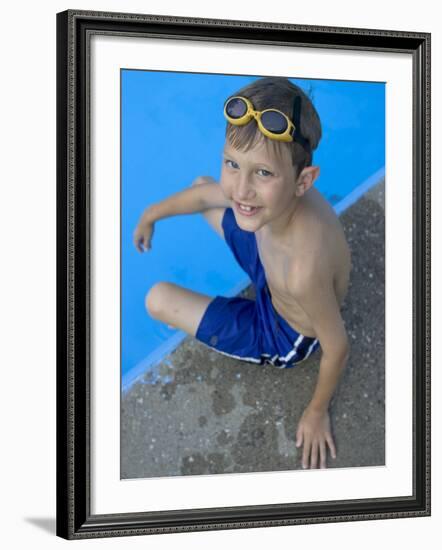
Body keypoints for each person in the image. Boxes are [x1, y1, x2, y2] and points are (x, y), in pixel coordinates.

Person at [133, 77, 351, 470]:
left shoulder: (303, 270)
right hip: (271, 260)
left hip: (283, 331)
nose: (242, 189)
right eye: (233, 163)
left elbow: (337, 346)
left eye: (263, 174)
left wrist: (316, 412)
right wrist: (151, 214)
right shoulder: (276, 200)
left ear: (305, 181)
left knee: (157, 299)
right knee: (204, 187)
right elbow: (206, 194)